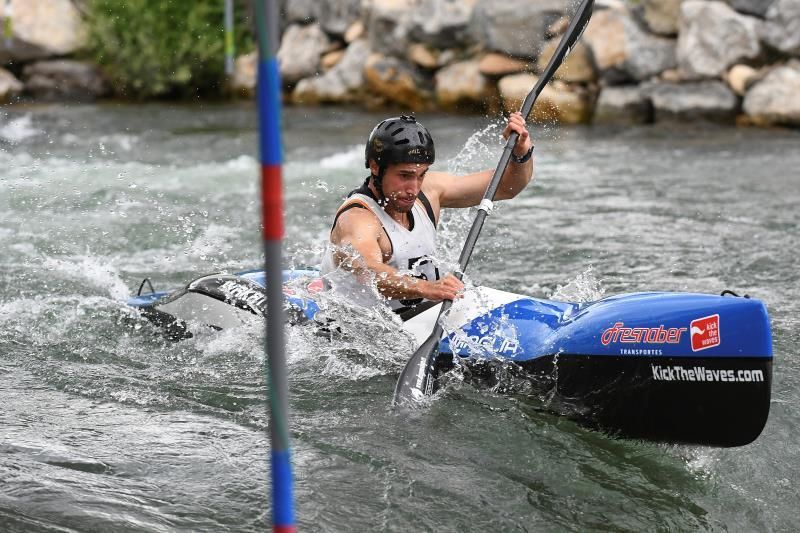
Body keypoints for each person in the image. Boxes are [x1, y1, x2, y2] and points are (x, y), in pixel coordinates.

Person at [320, 113, 534, 314]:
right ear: (376, 167)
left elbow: (507, 187)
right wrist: (428, 288)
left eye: (421, 175)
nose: (413, 189)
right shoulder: (358, 218)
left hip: (419, 318)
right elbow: (370, 273)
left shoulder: (428, 192)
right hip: (359, 329)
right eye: (404, 175)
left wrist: (521, 154)